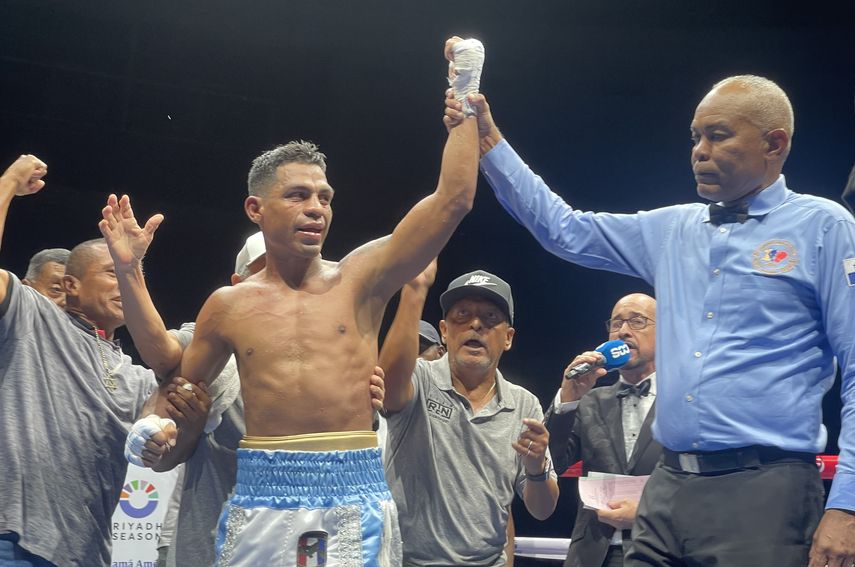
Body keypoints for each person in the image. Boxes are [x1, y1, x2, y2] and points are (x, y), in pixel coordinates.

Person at [445, 75, 855, 566]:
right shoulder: (675, 228)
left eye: (718, 135)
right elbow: (564, 230)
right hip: (668, 487)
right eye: (694, 137)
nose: (699, 151)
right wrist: (489, 139)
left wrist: (848, 504)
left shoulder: (825, 227)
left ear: (775, 143)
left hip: (766, 490)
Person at [122, 37, 483, 566]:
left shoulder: (362, 278)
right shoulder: (228, 305)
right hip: (260, 492)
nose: (316, 208)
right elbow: (180, 405)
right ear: (255, 208)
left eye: (325, 197)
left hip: (352, 489)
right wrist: (155, 437)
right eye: (297, 195)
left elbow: (455, 199)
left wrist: (465, 95)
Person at [99, 217, 389, 567]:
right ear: (237, 283)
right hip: (208, 540)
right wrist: (129, 271)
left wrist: (364, 408)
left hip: (308, 540)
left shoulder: (337, 351)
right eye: (266, 270)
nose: (283, 280)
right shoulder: (211, 335)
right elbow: (161, 356)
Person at [0, 155, 208, 567]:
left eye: (128, 274)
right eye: (112, 273)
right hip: (14, 538)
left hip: (86, 552)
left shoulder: (136, 375)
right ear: (70, 286)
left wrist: (184, 429)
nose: (123, 283)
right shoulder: (32, 318)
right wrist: (7, 183)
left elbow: (163, 457)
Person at [380, 261, 559, 566]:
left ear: (508, 337)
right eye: (462, 314)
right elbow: (388, 386)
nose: (476, 325)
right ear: (444, 331)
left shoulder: (524, 404)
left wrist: (535, 466)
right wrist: (414, 290)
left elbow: (542, 510)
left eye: (491, 318)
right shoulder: (419, 379)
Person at [544, 293, 661, 567]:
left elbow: (703, 487)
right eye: (616, 324)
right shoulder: (591, 401)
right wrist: (568, 398)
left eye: (637, 321)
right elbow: (553, 463)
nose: (623, 331)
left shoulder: (685, 401)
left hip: (661, 550)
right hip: (592, 555)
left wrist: (646, 514)